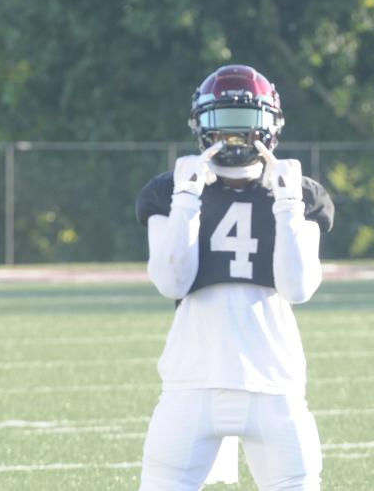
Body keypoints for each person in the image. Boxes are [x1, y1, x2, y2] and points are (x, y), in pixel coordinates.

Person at [135, 64, 334, 491]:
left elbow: (298, 288)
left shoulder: (301, 194)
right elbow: (171, 281)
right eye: (223, 123)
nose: (235, 137)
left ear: (271, 124)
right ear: (201, 125)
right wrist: (186, 199)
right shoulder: (169, 190)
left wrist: (288, 206)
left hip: (272, 384)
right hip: (194, 380)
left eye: (245, 124)